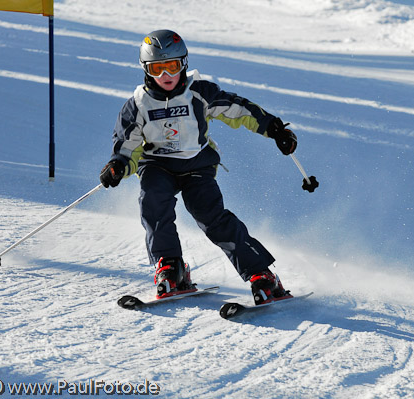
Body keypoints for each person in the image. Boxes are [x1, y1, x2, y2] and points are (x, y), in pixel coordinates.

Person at [99, 29, 298, 304]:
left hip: (197, 166)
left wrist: (274, 128)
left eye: (173, 66)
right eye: (158, 68)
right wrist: (118, 165)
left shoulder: (199, 93)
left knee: (211, 217)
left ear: (184, 64)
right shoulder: (137, 105)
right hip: (157, 165)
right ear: (146, 69)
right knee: (154, 204)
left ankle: (261, 275)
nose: (166, 75)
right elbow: (126, 146)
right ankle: (171, 268)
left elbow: (237, 110)